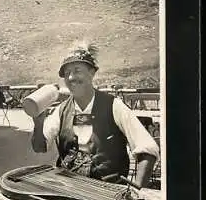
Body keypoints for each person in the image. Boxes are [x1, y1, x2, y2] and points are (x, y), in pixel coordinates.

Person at [31, 42, 160, 189]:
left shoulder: (114, 106)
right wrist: (38, 123)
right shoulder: (61, 110)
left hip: (108, 192)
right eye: (67, 73)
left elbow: (148, 150)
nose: (72, 77)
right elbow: (40, 147)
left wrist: (137, 191)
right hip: (68, 189)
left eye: (77, 70)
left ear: (92, 72)